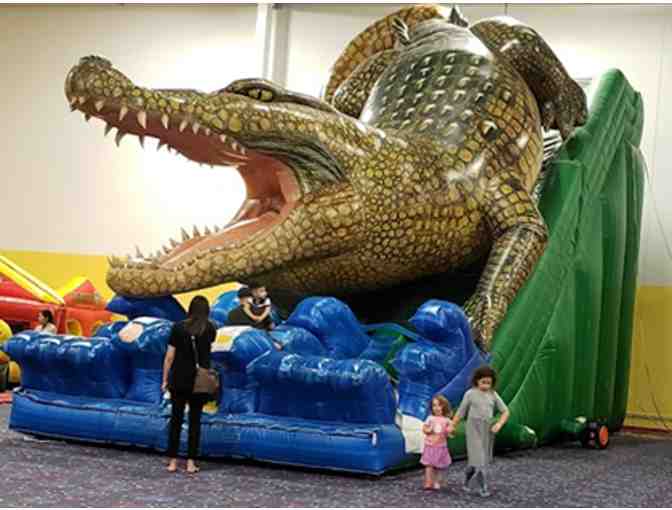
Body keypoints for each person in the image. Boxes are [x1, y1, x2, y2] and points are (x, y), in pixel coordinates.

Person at [161, 295, 216, 474]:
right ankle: (191, 463)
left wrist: (164, 379)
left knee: (176, 420)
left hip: (179, 379)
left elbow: (169, 357)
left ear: (190, 309)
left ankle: (173, 462)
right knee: (195, 422)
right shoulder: (210, 328)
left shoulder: (178, 327)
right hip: (199, 381)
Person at [452, 365, 510, 497]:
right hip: (473, 429)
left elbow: (505, 411)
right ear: (477, 380)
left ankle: (467, 479)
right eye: (483, 382)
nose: (486, 385)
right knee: (479, 460)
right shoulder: (470, 394)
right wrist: (452, 425)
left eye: (489, 383)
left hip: (487, 429)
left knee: (479, 461)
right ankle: (483, 488)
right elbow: (461, 412)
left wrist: (499, 423)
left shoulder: (493, 395)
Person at [421, 395, 455, 490]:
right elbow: (424, 428)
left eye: (439, 405)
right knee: (429, 465)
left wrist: (450, 431)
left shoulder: (446, 420)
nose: (436, 408)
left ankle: (437, 481)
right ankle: (428, 482)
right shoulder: (430, 418)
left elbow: (451, 430)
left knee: (439, 466)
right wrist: (428, 430)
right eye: (434, 405)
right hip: (430, 445)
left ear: (444, 407)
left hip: (441, 446)